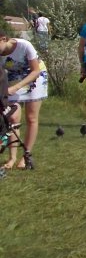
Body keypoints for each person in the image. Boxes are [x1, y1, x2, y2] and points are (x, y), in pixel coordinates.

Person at [0, 33, 48, 169]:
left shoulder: (24, 45)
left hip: (35, 77)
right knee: (12, 118)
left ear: (3, 39)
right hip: (13, 79)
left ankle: (25, 156)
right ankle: (12, 158)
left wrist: (16, 88)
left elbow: (35, 71)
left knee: (31, 118)